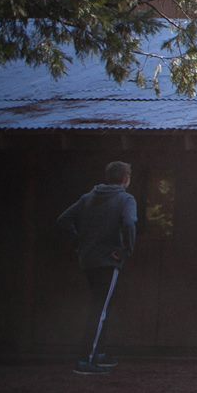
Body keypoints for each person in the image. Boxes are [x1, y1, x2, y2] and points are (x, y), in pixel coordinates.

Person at [59, 161, 138, 376]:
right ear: (125, 178)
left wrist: (79, 242)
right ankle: (87, 359)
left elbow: (64, 220)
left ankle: (99, 353)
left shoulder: (89, 197)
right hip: (107, 261)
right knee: (101, 310)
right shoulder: (125, 199)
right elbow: (130, 223)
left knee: (100, 306)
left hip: (88, 260)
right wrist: (125, 250)